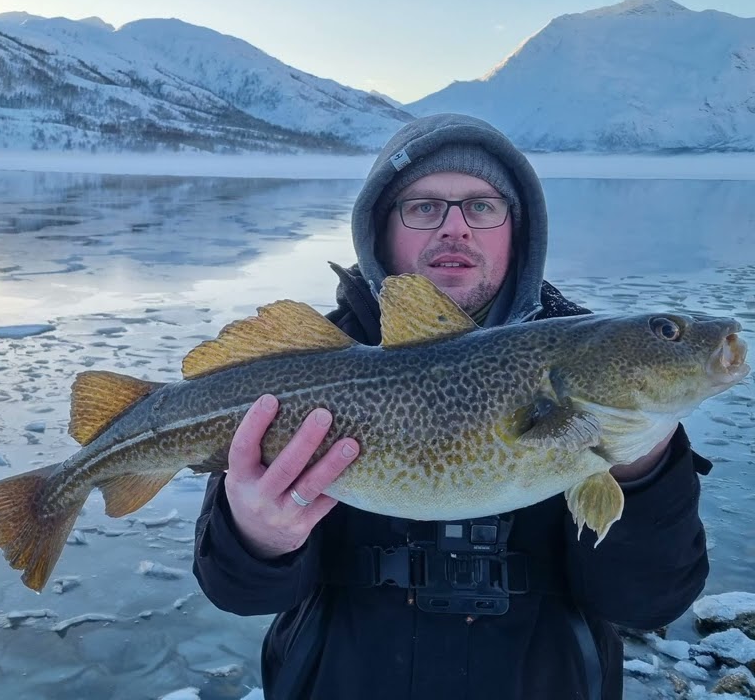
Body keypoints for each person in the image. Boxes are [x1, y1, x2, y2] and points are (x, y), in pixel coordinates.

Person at [191, 113, 713, 700]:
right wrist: (256, 540)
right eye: (423, 207)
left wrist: (641, 473)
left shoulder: (582, 358)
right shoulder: (305, 371)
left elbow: (649, 603)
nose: (455, 228)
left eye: (482, 206)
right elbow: (238, 594)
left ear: (518, 230)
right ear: (379, 230)